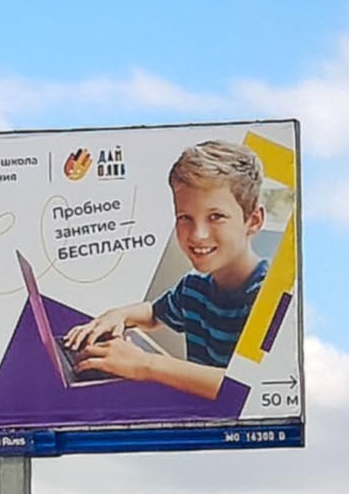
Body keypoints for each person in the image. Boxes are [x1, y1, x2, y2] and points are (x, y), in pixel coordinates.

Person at [63, 141, 272, 399]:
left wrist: (145, 364)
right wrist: (119, 315)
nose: (198, 234)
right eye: (185, 218)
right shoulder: (195, 287)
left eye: (216, 216)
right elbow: (154, 314)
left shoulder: (267, 297)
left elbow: (247, 387)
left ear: (253, 221)